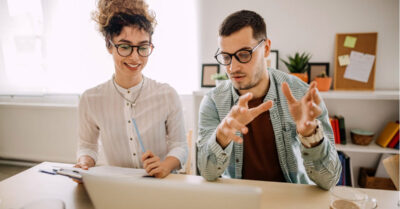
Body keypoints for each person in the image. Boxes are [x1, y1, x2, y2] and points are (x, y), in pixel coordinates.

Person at [197, 10, 341, 190]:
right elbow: (207, 172)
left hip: (291, 200)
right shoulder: (213, 101)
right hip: (239, 199)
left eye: (243, 54)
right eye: (226, 57)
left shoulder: (302, 95)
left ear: (265, 49)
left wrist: (310, 135)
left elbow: (330, 180)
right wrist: (222, 135)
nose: (233, 67)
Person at [74, 0, 187, 178]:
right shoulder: (90, 99)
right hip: (118, 187)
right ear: (109, 45)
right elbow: (87, 146)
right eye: (125, 47)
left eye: (142, 47)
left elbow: (180, 146)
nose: (135, 57)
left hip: (160, 186)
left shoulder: (167, 95)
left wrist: (165, 165)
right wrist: (84, 163)